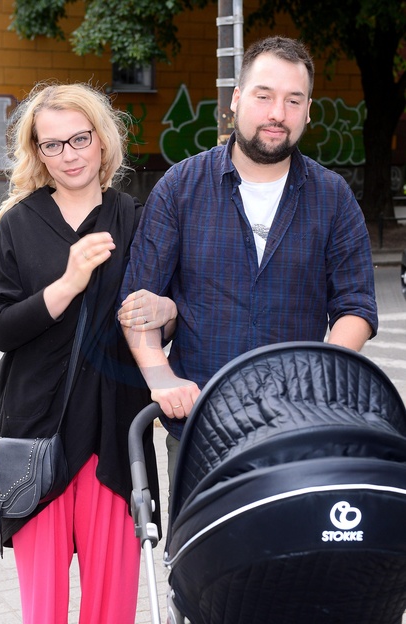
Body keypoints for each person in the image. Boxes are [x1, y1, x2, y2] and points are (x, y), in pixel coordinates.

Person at [118, 36, 378, 488]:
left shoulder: (334, 197)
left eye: (293, 100)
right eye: (264, 96)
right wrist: (161, 380)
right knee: (201, 539)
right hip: (200, 426)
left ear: (308, 111)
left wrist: (318, 378)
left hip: (299, 430)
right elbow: (137, 302)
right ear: (236, 100)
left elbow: (355, 306)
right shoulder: (180, 187)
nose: (278, 113)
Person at [0, 81, 177, 624]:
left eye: (79, 138)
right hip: (37, 439)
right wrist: (66, 284)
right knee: (43, 609)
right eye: (52, 144)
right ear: (37, 153)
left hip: (114, 437)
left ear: (102, 139)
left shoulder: (135, 218)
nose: (69, 154)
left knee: (112, 607)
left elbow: (164, 315)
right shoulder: (18, 224)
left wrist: (167, 310)